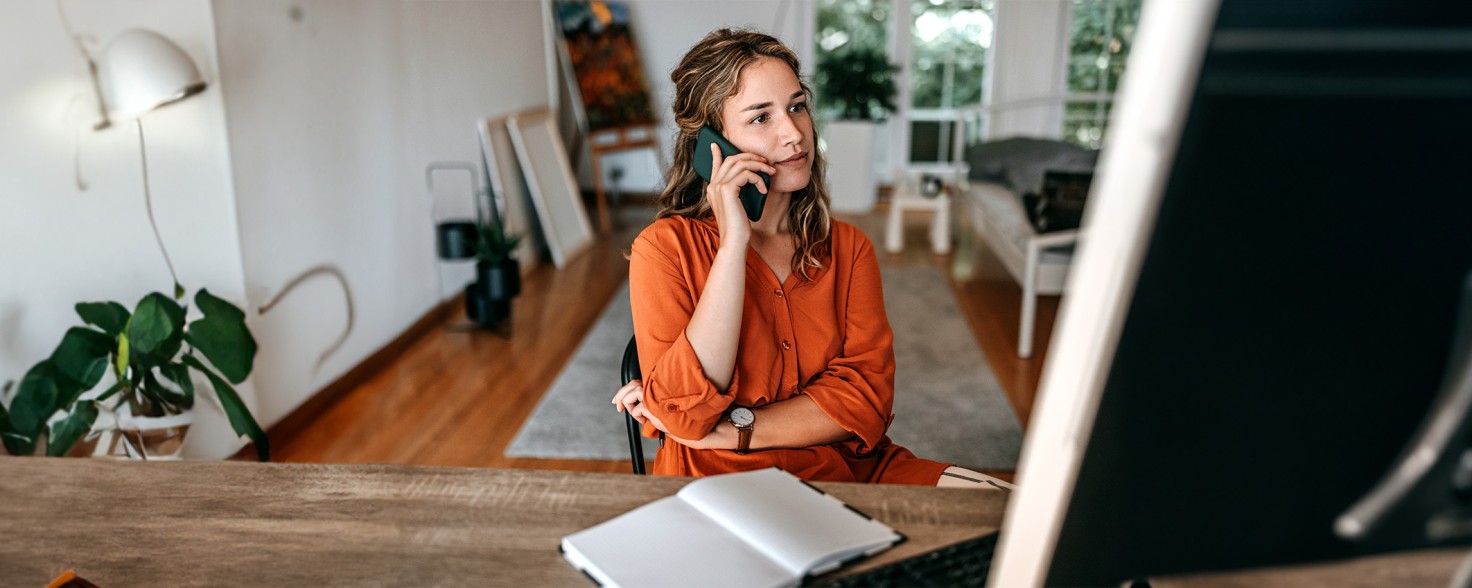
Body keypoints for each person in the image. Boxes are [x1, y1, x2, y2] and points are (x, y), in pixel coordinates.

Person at [612, 28, 1009, 489]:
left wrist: (732, 428)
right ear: (712, 145)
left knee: (1011, 514)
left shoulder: (849, 248)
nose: (794, 134)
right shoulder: (664, 249)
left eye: (796, 107)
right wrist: (733, 245)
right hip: (719, 481)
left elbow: (865, 401)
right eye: (761, 118)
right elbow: (683, 412)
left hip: (851, 473)